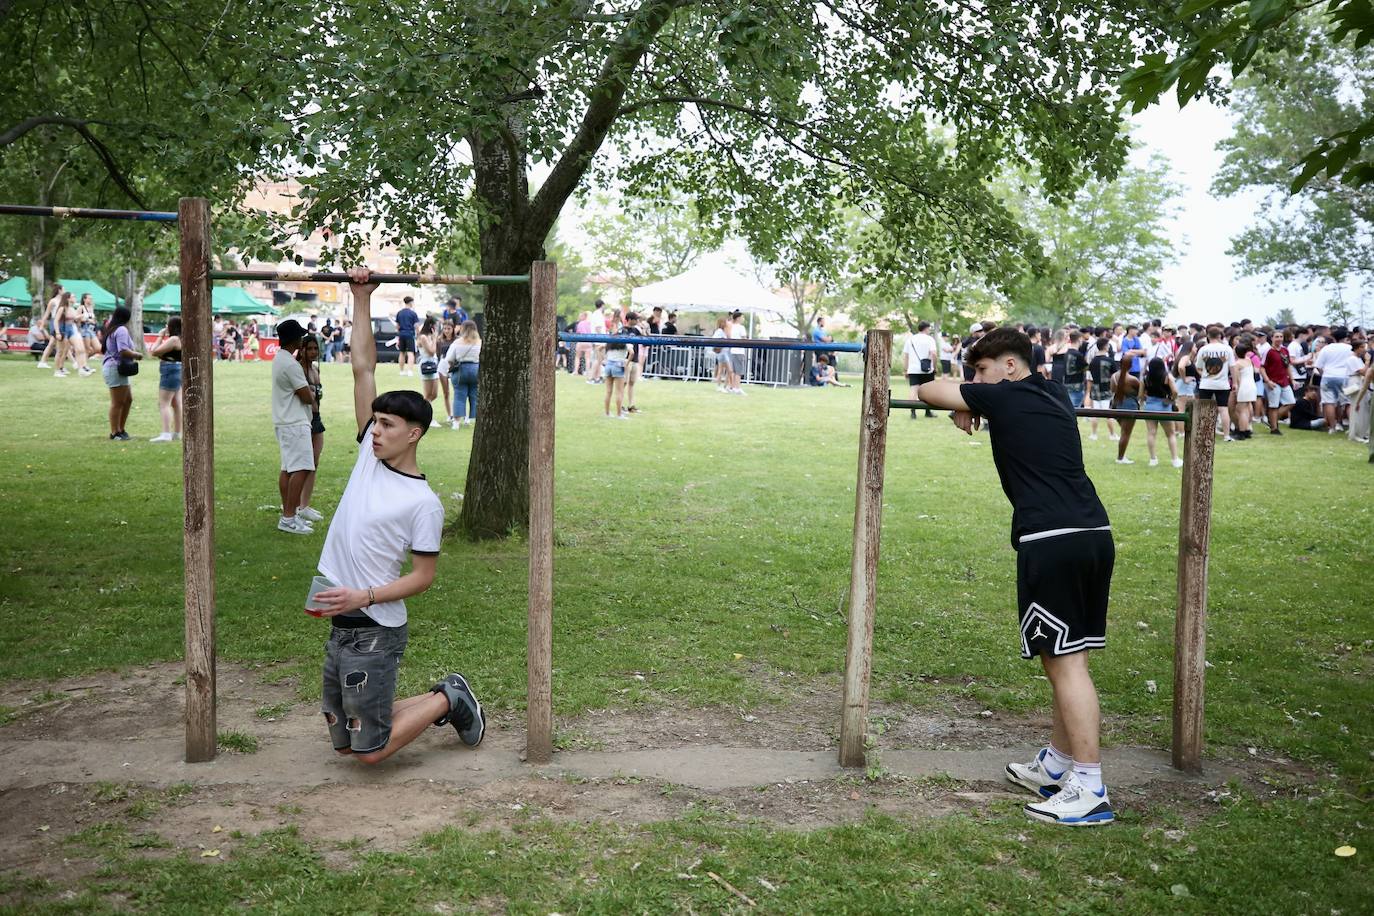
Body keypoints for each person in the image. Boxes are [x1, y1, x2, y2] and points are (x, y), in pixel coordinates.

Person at [916, 328, 1116, 826]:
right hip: (1094, 532)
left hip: (1051, 539)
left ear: (1009, 367)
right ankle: (1058, 764)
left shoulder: (1002, 396)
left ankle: (1089, 789)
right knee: (1067, 659)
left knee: (1065, 665)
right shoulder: (1053, 392)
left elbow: (926, 390)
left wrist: (972, 399)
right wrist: (980, 400)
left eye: (980, 371)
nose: (975, 380)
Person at [304, 267, 485, 766]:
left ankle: (450, 698)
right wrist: (360, 299)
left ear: (415, 434)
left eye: (387, 425)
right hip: (342, 622)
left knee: (370, 750)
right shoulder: (368, 455)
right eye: (375, 423)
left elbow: (423, 578)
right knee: (342, 739)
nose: (375, 432)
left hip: (375, 627)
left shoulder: (422, 502)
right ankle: (440, 698)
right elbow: (364, 368)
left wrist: (363, 594)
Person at [272, 319, 319, 534]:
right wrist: (311, 392)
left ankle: (289, 514)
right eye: (300, 337)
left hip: (285, 420)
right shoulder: (291, 364)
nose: (302, 340)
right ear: (295, 339)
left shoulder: (280, 359)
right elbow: (306, 397)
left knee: (288, 469)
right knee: (302, 468)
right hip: (295, 421)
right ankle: (289, 517)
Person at [297, 336, 328, 524]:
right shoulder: (298, 369)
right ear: (302, 350)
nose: (313, 352)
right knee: (303, 464)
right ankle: (295, 507)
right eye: (309, 349)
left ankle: (305, 505)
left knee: (314, 463)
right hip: (304, 419)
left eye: (315, 348)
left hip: (317, 419)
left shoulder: (315, 369)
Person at [101, 306, 142, 439]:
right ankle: (115, 432)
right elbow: (123, 350)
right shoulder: (122, 330)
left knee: (128, 399)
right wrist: (137, 355)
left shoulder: (112, 329)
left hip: (115, 368)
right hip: (115, 368)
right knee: (117, 402)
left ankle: (121, 429)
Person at [1195, 326, 1235, 440]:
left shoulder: (1203, 349)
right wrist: (1235, 382)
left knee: (1205, 409)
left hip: (1206, 383)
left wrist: (1204, 375)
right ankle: (1227, 435)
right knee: (1223, 409)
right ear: (1219, 336)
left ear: (1207, 336)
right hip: (1222, 384)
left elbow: (1198, 367)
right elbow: (1232, 367)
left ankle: (1204, 434)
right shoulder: (1227, 349)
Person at [1312, 327, 1354, 434]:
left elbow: (1318, 365)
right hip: (1345, 377)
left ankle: (1332, 427)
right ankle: (1351, 427)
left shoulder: (1326, 349)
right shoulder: (1349, 348)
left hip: (1328, 376)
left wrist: (1323, 374)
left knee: (1329, 402)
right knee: (1348, 402)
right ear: (1345, 337)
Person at [1141, 357, 1182, 467]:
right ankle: (1175, 459)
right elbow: (1175, 391)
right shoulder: (1167, 377)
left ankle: (1153, 459)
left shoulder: (1145, 378)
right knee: (1170, 434)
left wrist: (1147, 400)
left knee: (1151, 433)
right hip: (1164, 406)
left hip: (1149, 406)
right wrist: (1171, 400)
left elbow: (1140, 395)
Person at [149, 317, 184, 443]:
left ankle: (165, 433)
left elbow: (154, 352)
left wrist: (159, 336)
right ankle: (177, 432)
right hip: (179, 369)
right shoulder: (182, 338)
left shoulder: (174, 339)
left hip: (170, 369)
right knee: (177, 403)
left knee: (164, 403)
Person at [445, 320, 481, 429]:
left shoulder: (457, 342)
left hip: (461, 370)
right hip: (476, 369)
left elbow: (449, 358)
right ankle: (471, 420)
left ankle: (456, 422)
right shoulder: (479, 342)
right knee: (474, 396)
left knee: (459, 396)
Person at [1261, 329, 1295, 434]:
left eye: (1281, 336)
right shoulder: (1268, 351)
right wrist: (1267, 381)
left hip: (1284, 381)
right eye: (1277, 336)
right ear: (1272, 338)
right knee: (1273, 405)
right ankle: (1274, 428)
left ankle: (1272, 420)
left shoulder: (1285, 350)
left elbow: (1288, 365)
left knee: (1291, 402)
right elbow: (1262, 367)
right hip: (1273, 381)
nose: (1279, 339)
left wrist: (1292, 379)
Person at [1086, 336, 1118, 442]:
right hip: (1106, 389)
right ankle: (1112, 435)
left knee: (1095, 413)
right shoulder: (1110, 361)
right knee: (1108, 413)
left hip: (1095, 388)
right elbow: (1115, 376)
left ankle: (1094, 434)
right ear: (1105, 346)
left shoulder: (1092, 361)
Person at [903, 321, 938, 418]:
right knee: (928, 391)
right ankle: (927, 411)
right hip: (927, 369)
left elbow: (906, 356)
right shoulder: (930, 339)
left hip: (913, 369)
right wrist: (934, 366)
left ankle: (913, 412)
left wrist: (905, 369)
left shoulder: (910, 340)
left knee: (914, 389)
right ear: (926, 328)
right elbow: (934, 354)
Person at [1110, 364, 1142, 464]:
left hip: (1116, 405)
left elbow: (1112, 390)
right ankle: (1120, 457)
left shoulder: (1114, 376)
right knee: (1125, 434)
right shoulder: (1133, 379)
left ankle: (1121, 456)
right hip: (1129, 406)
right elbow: (1140, 394)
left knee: (1123, 432)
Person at [603, 311, 630, 418]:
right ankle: (619, 414)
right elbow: (631, 352)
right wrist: (626, 363)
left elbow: (600, 348)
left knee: (608, 392)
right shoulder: (624, 341)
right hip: (618, 365)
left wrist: (602, 360)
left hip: (608, 365)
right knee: (619, 392)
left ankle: (607, 413)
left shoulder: (609, 343)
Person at [416, 317, 443, 427]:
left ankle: (422, 414)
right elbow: (431, 352)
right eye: (435, 326)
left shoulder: (429, 337)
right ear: (431, 326)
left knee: (434, 394)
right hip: (427, 365)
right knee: (427, 395)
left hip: (433, 365)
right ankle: (427, 418)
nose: (436, 328)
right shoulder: (423, 337)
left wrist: (434, 338)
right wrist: (435, 338)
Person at [1230, 338, 1257, 440]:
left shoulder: (1237, 364)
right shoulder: (1248, 360)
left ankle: (1242, 431)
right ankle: (1247, 429)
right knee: (1247, 408)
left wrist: (1236, 388)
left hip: (1244, 386)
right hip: (1251, 385)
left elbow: (1236, 379)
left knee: (1241, 410)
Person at [621, 311, 646, 413]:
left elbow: (644, 340)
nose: (637, 321)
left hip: (635, 359)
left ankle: (631, 405)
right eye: (635, 319)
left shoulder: (636, 330)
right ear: (630, 320)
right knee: (624, 383)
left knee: (632, 383)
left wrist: (643, 328)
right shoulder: (623, 330)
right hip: (626, 359)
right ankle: (621, 405)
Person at [37, 283, 63, 368]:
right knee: (53, 343)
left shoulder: (63, 300)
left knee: (52, 343)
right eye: (63, 289)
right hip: (54, 321)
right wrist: (42, 324)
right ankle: (43, 361)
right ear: (59, 290)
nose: (65, 291)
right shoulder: (53, 301)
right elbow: (47, 313)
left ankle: (43, 361)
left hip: (61, 322)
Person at [394, 297, 419, 376]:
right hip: (410, 334)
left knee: (402, 353)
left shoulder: (399, 313)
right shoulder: (413, 314)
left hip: (401, 334)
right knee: (410, 353)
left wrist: (398, 335)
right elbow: (416, 326)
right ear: (411, 303)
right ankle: (410, 371)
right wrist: (418, 335)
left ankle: (401, 371)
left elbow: (397, 326)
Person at [728, 310, 749, 394]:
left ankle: (731, 387)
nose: (743, 319)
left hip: (731, 350)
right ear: (738, 318)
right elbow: (744, 338)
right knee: (738, 371)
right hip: (739, 351)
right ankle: (737, 387)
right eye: (742, 317)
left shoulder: (730, 326)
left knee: (732, 370)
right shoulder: (741, 327)